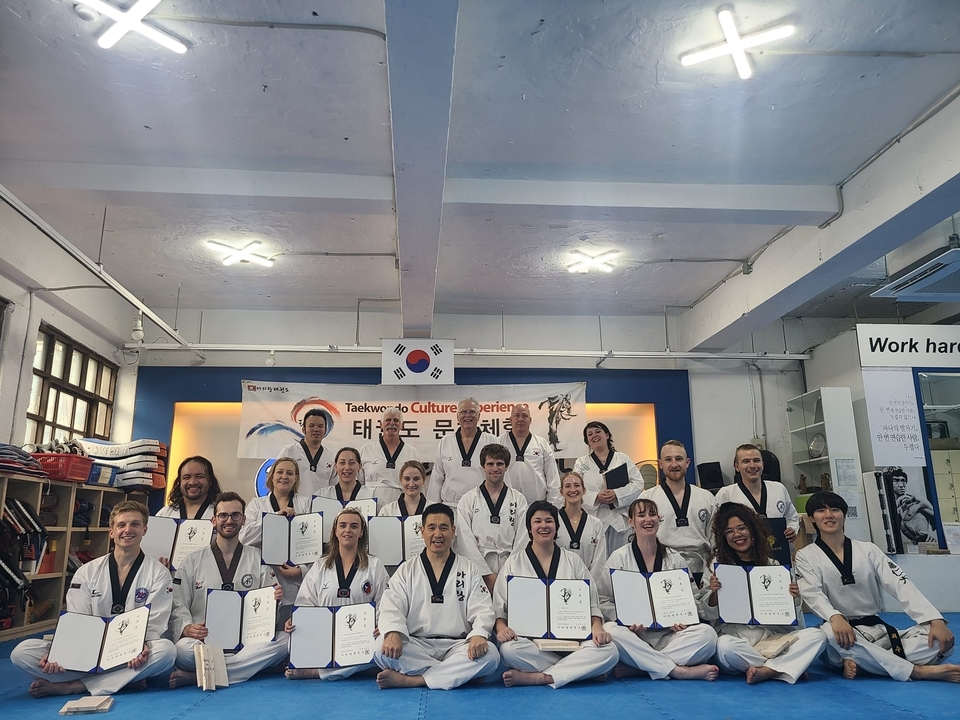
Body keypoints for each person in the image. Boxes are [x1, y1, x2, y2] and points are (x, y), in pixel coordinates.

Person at [11, 501, 176, 697]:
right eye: (121, 525)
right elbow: (77, 619)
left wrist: (139, 647)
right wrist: (61, 651)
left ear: (145, 530)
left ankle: (76, 686)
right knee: (21, 653)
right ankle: (123, 680)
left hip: (130, 649)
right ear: (111, 531)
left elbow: (155, 623)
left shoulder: (158, 573)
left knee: (166, 651)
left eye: (135, 524)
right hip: (89, 646)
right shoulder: (87, 571)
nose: (128, 530)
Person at [795, 491, 960, 682]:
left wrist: (934, 620)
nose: (829, 515)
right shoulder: (806, 556)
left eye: (835, 509)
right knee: (826, 634)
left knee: (942, 641)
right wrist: (835, 616)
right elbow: (812, 593)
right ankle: (916, 671)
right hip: (842, 633)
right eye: (821, 510)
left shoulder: (868, 550)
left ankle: (864, 664)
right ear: (811, 518)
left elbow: (901, 584)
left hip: (877, 631)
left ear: (844, 515)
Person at [372, 503, 501, 689]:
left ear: (453, 531)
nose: (437, 534)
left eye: (443, 527)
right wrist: (393, 632)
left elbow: (483, 608)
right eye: (431, 528)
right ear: (422, 531)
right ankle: (457, 675)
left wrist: (479, 634)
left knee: (492, 656)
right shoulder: (407, 569)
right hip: (417, 644)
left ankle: (415, 680)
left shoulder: (469, 568)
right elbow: (392, 605)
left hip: (457, 646)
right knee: (379, 649)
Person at [168, 492, 287, 688]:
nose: (229, 520)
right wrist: (188, 627)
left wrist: (276, 599)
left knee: (285, 640)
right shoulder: (193, 560)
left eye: (235, 515)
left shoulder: (258, 558)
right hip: (205, 640)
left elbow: (269, 606)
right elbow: (178, 602)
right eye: (223, 515)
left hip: (247, 641)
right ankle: (245, 668)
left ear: (243, 520)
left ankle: (201, 675)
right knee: (182, 650)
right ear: (214, 520)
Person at [493, 501, 618, 687]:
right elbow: (499, 608)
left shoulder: (573, 561)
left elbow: (592, 603)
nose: (543, 526)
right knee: (509, 651)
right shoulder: (514, 563)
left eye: (549, 521)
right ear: (529, 528)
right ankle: (580, 671)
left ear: (556, 527)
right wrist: (502, 628)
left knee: (610, 651)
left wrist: (597, 627)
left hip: (574, 641)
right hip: (532, 644)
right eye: (537, 521)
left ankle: (542, 677)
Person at [699, 502, 824, 684]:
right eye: (729, 532)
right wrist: (714, 593)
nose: (737, 535)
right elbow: (705, 613)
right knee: (724, 647)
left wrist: (794, 597)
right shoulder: (716, 566)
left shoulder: (771, 565)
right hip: (738, 638)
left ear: (752, 530)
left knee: (817, 636)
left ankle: (766, 670)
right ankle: (783, 666)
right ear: (723, 537)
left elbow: (790, 617)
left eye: (741, 528)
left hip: (771, 637)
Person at [596, 498, 719, 681]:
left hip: (669, 635)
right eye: (641, 515)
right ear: (631, 521)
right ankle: (677, 670)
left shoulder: (674, 558)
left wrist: (683, 619)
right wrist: (625, 620)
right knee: (610, 629)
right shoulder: (618, 558)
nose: (648, 519)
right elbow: (604, 599)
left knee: (708, 636)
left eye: (652, 514)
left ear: (659, 519)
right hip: (634, 636)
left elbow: (692, 598)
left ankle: (643, 668)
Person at [285, 507, 390, 680]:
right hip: (326, 635)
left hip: (358, 638)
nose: (348, 530)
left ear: (361, 532)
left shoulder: (374, 565)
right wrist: (297, 620)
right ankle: (357, 668)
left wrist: (381, 625)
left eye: (354, 526)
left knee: (382, 648)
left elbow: (384, 603)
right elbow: (305, 603)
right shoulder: (320, 566)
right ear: (335, 531)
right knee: (292, 643)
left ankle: (316, 672)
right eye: (343, 525)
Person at [238, 457, 314, 617]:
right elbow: (244, 538)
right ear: (271, 476)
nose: (284, 476)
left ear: (296, 478)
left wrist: (301, 570)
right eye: (279, 472)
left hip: (296, 584)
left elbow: (313, 545)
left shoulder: (305, 504)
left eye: (290, 473)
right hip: (263, 578)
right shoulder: (257, 504)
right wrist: (274, 518)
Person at [455, 444, 529, 593]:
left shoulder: (518, 499)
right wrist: (485, 574)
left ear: (507, 466)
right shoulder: (468, 499)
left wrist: (507, 572)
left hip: (510, 567)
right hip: (479, 567)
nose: (495, 468)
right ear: (483, 467)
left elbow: (523, 538)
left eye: (499, 463)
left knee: (508, 612)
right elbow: (465, 540)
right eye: (490, 464)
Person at [640, 440, 716, 582]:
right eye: (668, 459)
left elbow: (715, 540)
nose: (674, 464)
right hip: (663, 568)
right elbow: (641, 539)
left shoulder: (706, 497)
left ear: (687, 462)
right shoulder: (647, 499)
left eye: (679, 459)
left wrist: (713, 570)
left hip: (702, 568)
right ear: (660, 464)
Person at [572, 421, 644, 551]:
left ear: (607, 435)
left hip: (620, 519)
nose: (594, 435)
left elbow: (638, 483)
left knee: (622, 559)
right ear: (587, 441)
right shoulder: (581, 462)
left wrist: (617, 494)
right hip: (595, 518)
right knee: (597, 561)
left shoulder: (622, 458)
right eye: (590, 434)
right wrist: (596, 497)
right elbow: (576, 488)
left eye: (598, 431)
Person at [715, 444, 799, 542]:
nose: (752, 465)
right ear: (737, 467)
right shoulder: (726, 494)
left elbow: (791, 517)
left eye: (756, 460)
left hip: (779, 550)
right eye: (746, 461)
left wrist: (792, 529)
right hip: (743, 553)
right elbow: (716, 527)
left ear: (762, 464)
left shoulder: (779, 488)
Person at [427, 397, 498, 508]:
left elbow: (500, 476)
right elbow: (437, 478)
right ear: (457, 416)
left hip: (482, 506)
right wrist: (432, 508)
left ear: (479, 416)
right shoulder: (445, 442)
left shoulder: (491, 441)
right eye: (463, 412)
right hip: (451, 507)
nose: (468, 415)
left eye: (472, 412)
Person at [498, 403, 561, 506]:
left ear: (530, 420)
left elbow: (552, 477)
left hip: (537, 505)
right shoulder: (499, 443)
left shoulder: (542, 444)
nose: (520, 419)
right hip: (505, 504)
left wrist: (554, 506)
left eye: (524, 416)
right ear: (510, 420)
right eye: (517, 416)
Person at [361, 407, 422, 511]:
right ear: (381, 424)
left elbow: (418, 483)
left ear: (402, 425)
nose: (392, 423)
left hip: (402, 503)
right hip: (371, 503)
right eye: (388, 420)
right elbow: (359, 481)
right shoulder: (367, 449)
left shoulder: (412, 452)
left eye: (396, 420)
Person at [555, 471, 608, 576]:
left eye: (577, 485)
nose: (573, 490)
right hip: (558, 580)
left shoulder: (595, 524)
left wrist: (588, 584)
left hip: (587, 582)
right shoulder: (553, 522)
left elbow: (599, 561)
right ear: (561, 492)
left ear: (584, 490)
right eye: (567, 486)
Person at [278, 408, 336, 498]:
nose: (316, 429)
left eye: (320, 426)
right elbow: (277, 480)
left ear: (325, 430)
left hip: (321, 506)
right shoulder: (289, 451)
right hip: (294, 506)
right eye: (311, 425)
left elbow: (334, 488)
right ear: (304, 429)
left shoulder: (331, 456)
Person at [156, 455, 221, 520]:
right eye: (186, 477)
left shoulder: (221, 514)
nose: (192, 482)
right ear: (179, 482)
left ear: (210, 481)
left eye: (199, 476)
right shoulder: (164, 514)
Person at [885, 466, 937, 545]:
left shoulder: (917, 500)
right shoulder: (892, 507)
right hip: (915, 545)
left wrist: (934, 533)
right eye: (896, 480)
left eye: (903, 481)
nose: (901, 485)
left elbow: (938, 518)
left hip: (930, 542)